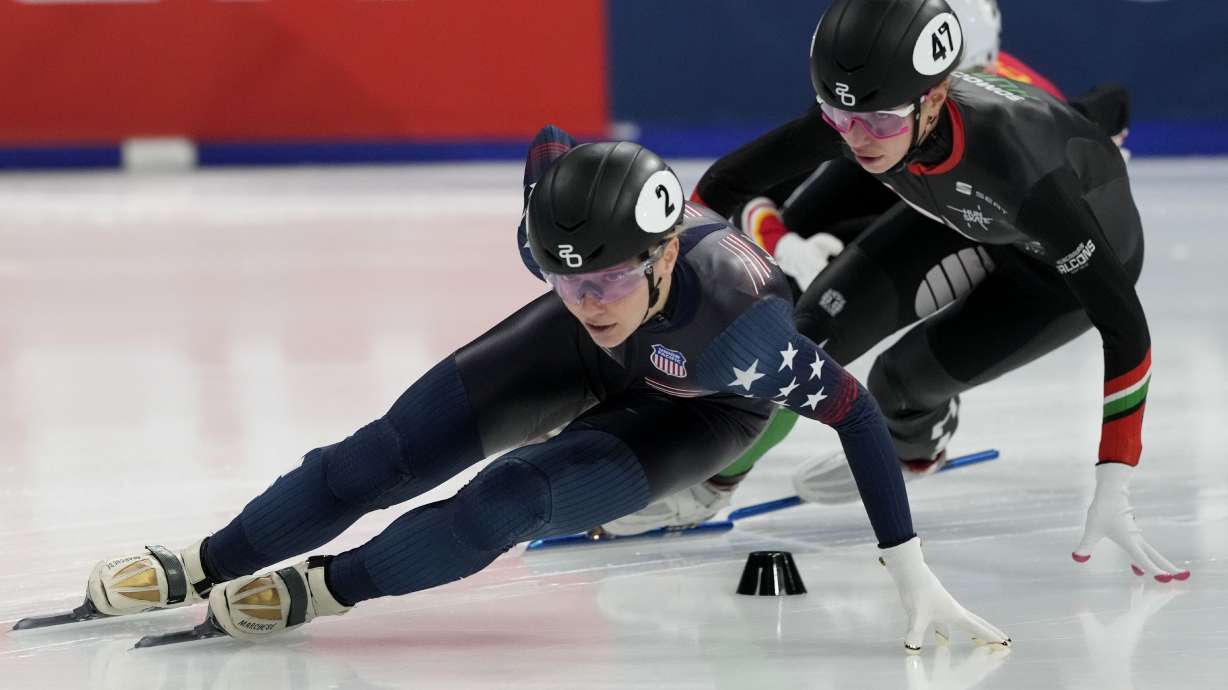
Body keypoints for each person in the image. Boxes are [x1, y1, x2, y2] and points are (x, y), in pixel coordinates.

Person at [71, 127, 1008, 652]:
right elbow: (554, 151)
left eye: (604, 281)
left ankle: (324, 591)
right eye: (566, 281)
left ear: (665, 251)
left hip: (702, 402)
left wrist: (910, 572)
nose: (588, 299)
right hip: (600, 357)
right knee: (379, 456)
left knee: (508, 498)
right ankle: (203, 560)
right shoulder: (569, 237)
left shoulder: (741, 327)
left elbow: (853, 414)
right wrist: (580, 294)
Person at [605, 0, 1187, 584]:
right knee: (802, 341)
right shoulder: (867, 109)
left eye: (878, 122)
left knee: (900, 382)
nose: (857, 139)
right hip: (961, 218)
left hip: (1052, 273)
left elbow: (1125, 325)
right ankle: (712, 484)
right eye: (838, 116)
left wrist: (1115, 473)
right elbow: (728, 183)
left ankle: (917, 440)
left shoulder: (1017, 162)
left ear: (934, 97)